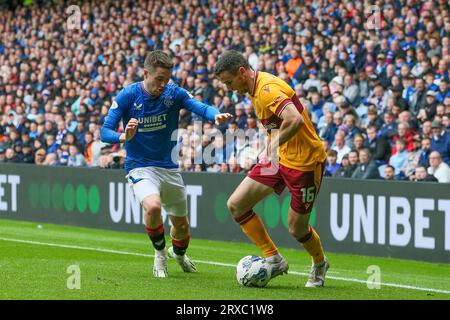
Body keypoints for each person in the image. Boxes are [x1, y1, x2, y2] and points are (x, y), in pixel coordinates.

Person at [100, 50, 232, 278]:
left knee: (181, 227)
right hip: (139, 166)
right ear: (146, 73)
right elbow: (105, 131)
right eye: (159, 78)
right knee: (152, 206)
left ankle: (179, 255)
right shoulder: (128, 96)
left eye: (166, 79)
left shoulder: (173, 93)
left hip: (169, 168)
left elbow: (198, 106)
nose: (163, 84)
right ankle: (160, 254)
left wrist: (215, 115)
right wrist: (124, 137)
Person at [215, 50, 329, 288]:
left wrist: (274, 143)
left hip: (305, 163)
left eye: (229, 82)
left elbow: (295, 120)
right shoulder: (255, 89)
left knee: (296, 228)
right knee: (236, 204)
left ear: (242, 72)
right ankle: (274, 259)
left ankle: (319, 263)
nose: (229, 88)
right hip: (278, 159)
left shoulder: (267, 90)